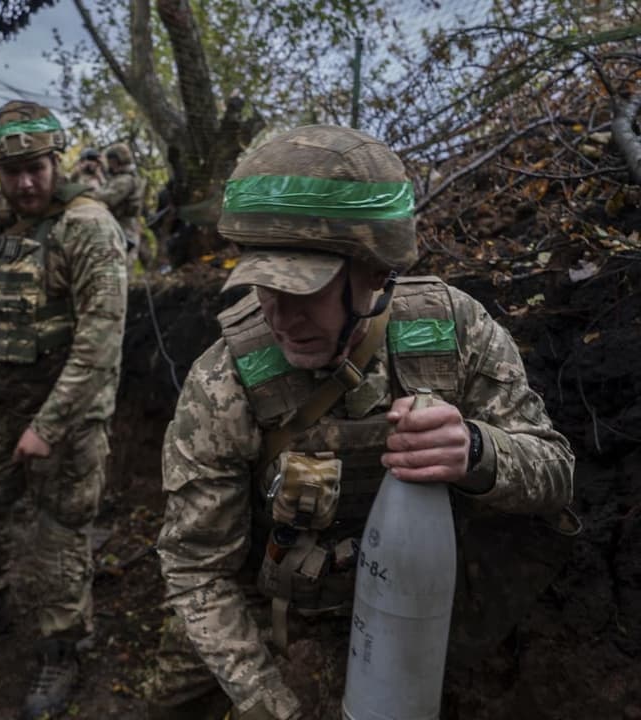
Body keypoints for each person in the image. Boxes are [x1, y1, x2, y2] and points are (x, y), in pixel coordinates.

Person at [146, 125, 576, 720]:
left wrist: (479, 452)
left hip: (423, 616)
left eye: (303, 291)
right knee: (170, 695)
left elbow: (557, 475)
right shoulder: (225, 381)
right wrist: (270, 703)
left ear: (375, 272)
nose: (276, 315)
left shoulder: (453, 333)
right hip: (282, 619)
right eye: (260, 286)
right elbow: (196, 567)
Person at [0, 100, 128, 720]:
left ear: (55, 161)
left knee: (59, 535)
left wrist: (49, 424)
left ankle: (61, 649)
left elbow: (101, 339)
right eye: (11, 171)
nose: (24, 183)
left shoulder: (88, 227)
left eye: (35, 168)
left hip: (65, 410)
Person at [93, 142, 149, 271]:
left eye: (112, 161)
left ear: (119, 161)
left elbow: (108, 198)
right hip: (119, 229)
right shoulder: (119, 178)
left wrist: (87, 193)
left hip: (125, 230)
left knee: (120, 269)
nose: (110, 164)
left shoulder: (126, 180)